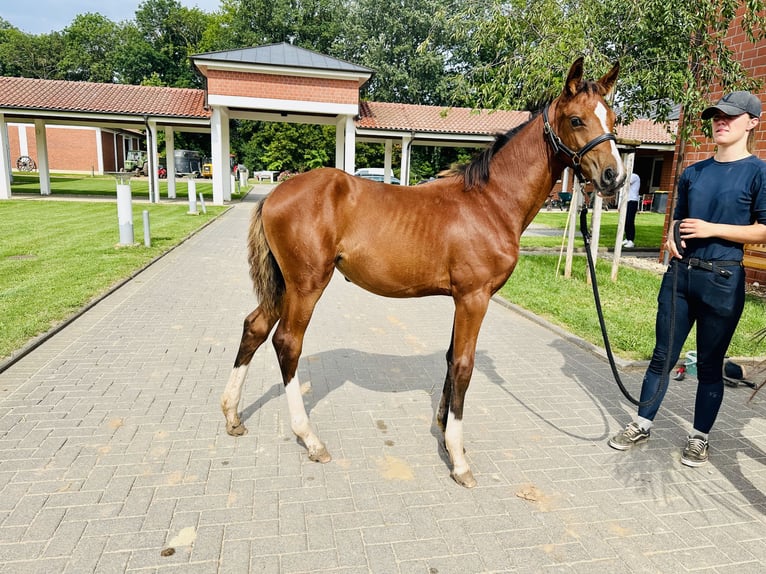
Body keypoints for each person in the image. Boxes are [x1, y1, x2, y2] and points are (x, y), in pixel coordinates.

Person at [609, 90, 766, 466]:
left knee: (710, 365)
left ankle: (699, 437)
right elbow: (679, 218)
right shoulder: (693, 172)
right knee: (663, 356)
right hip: (680, 277)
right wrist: (671, 234)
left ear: (753, 123)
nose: (721, 122)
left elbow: (763, 230)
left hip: (723, 279)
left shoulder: (758, 172)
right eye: (716, 116)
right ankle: (642, 423)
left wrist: (712, 228)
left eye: (730, 116)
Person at [622, 172, 641, 248]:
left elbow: (626, 183)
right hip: (627, 201)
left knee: (630, 220)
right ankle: (627, 238)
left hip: (632, 201)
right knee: (625, 221)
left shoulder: (634, 176)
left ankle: (631, 240)